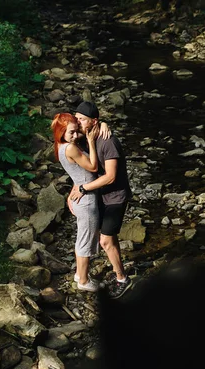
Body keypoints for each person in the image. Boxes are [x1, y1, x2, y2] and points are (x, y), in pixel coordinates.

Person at [69, 101, 133, 299]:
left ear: (93, 121)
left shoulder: (108, 141)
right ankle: (91, 272)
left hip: (115, 197)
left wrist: (82, 188)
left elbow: (111, 176)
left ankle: (122, 278)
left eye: (82, 119)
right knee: (106, 238)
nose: (78, 123)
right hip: (98, 196)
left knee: (105, 240)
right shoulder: (82, 137)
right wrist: (73, 191)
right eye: (77, 118)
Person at [52, 113, 101, 292]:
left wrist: (95, 127)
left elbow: (76, 172)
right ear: (62, 131)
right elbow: (93, 167)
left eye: (75, 131)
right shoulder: (71, 148)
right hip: (86, 199)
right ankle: (84, 280)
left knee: (82, 238)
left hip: (79, 192)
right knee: (85, 241)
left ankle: (79, 274)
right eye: (71, 132)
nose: (75, 136)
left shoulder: (60, 145)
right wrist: (91, 142)